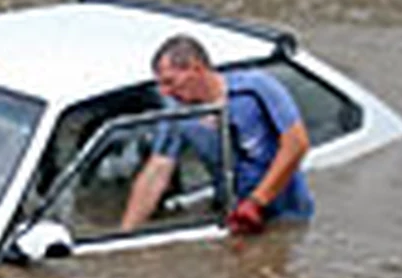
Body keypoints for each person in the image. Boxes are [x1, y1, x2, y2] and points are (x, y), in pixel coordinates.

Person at [121, 34, 314, 235]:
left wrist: (256, 201)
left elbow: (296, 144)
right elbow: (157, 171)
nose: (165, 92)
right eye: (160, 85)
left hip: (288, 215)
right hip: (234, 218)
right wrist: (125, 235)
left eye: (170, 82)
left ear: (196, 68)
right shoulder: (178, 115)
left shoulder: (256, 89)